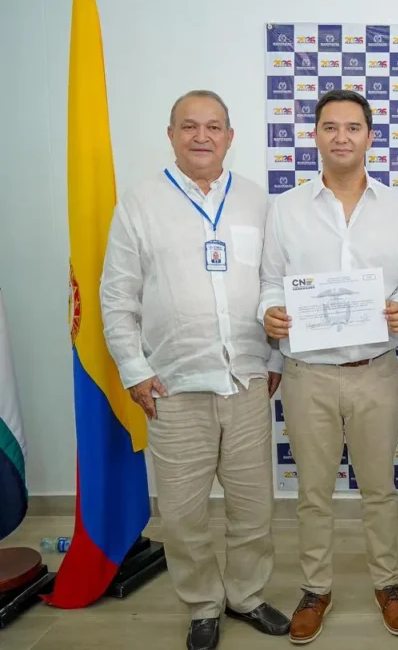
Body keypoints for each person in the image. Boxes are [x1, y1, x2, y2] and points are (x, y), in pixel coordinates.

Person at [100, 89, 290, 650]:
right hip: (174, 386)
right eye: (189, 126)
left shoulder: (258, 202)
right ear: (172, 134)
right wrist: (134, 369)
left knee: (254, 505)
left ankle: (247, 596)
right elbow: (117, 296)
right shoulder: (140, 203)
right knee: (183, 514)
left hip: (248, 382)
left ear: (231, 137)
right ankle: (203, 604)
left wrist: (275, 357)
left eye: (213, 127)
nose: (201, 136)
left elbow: (275, 286)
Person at [258, 89, 398, 644]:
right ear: (317, 136)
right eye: (331, 127)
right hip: (308, 374)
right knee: (314, 493)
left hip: (375, 367)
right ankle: (316, 587)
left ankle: (388, 583)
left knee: (379, 488)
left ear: (370, 137)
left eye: (353, 127)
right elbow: (271, 282)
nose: (342, 137)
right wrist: (270, 312)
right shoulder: (286, 208)